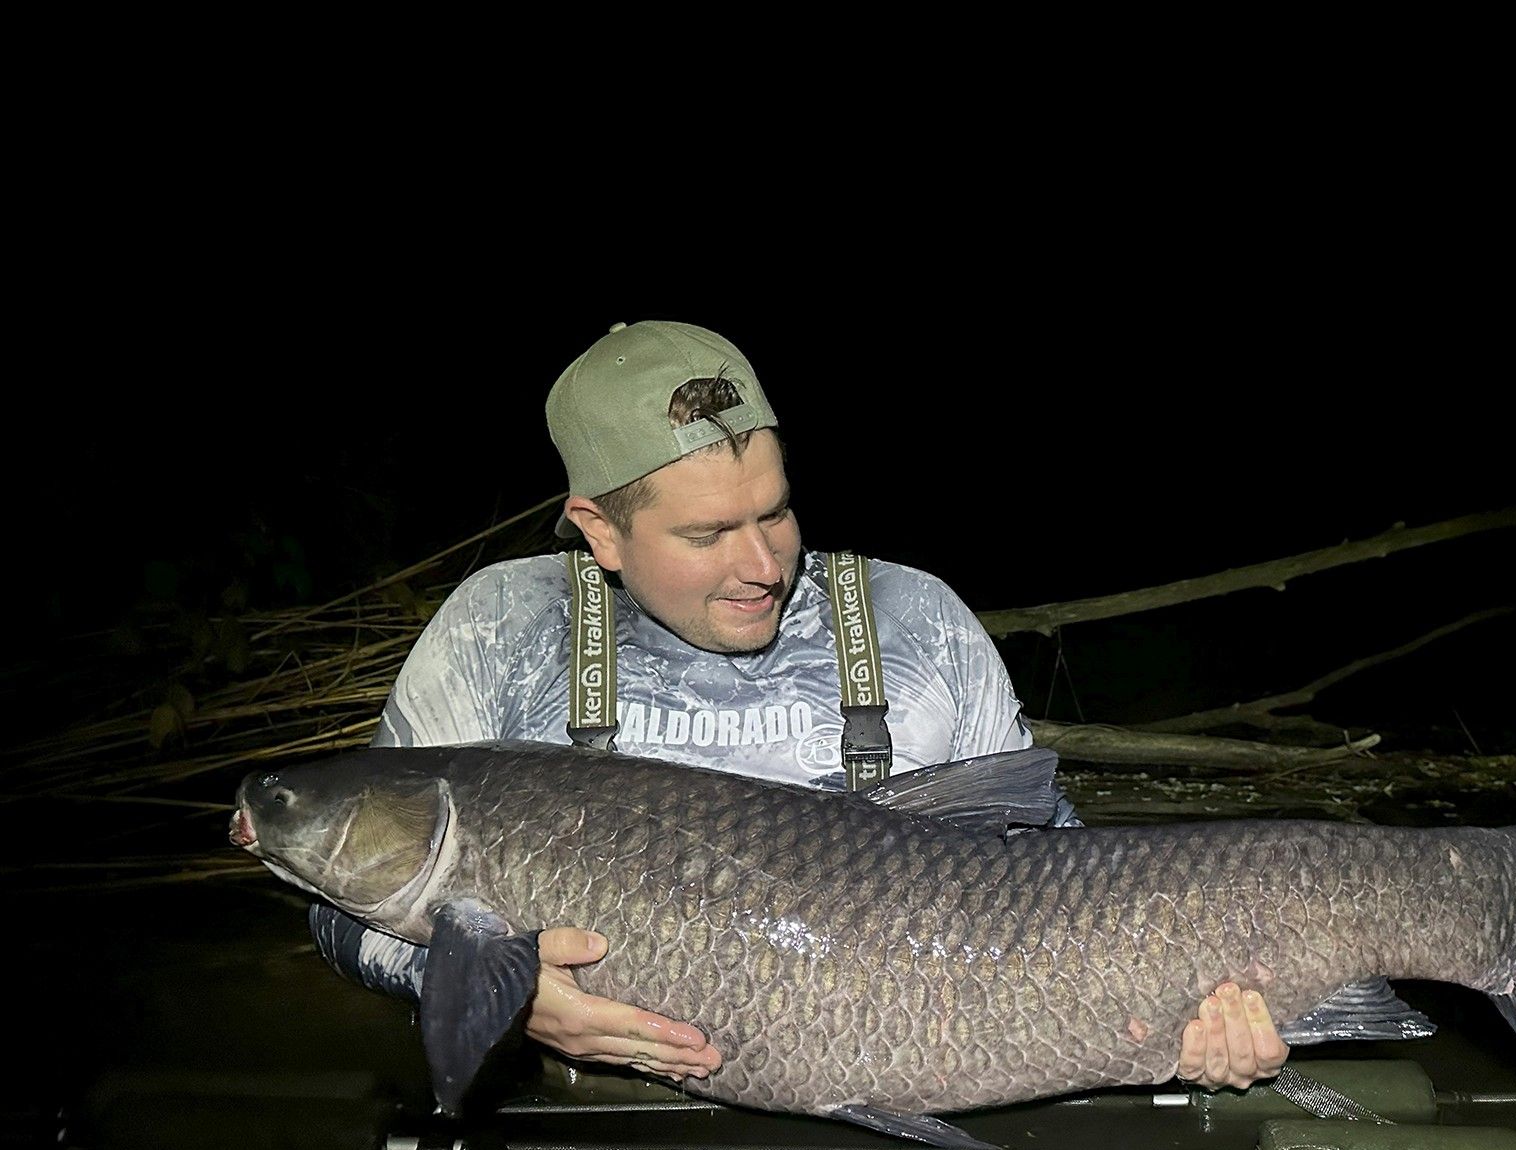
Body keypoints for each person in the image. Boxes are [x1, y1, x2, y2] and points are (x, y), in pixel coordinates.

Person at [312, 320, 1287, 1092]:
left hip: (907, 1116)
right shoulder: (503, 633)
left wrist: (1179, 1014)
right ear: (598, 530)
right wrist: (505, 995)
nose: (763, 564)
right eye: (707, 533)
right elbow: (341, 908)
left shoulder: (915, 623)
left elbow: (1058, 868)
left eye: (774, 511)